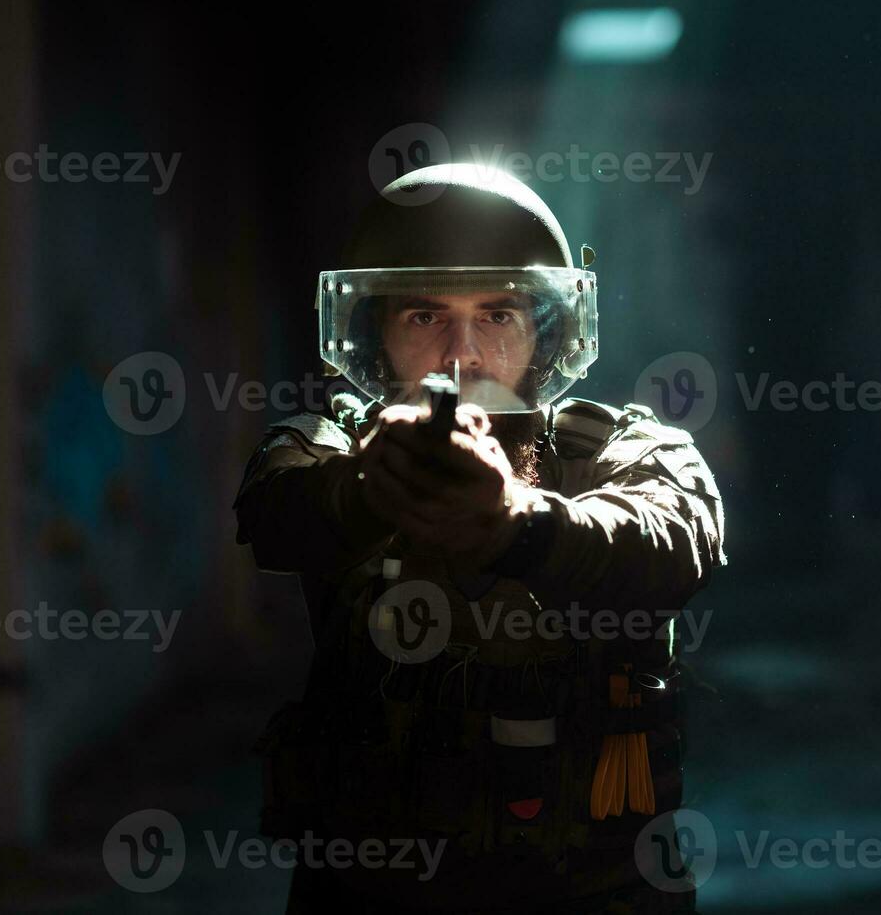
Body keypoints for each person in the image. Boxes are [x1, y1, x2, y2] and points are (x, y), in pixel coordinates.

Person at [234, 163, 726, 913]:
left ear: (545, 335)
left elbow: (673, 540)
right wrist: (372, 492)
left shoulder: (623, 450)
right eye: (424, 317)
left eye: (498, 316)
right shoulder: (333, 449)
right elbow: (276, 512)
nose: (462, 357)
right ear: (376, 337)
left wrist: (517, 522)